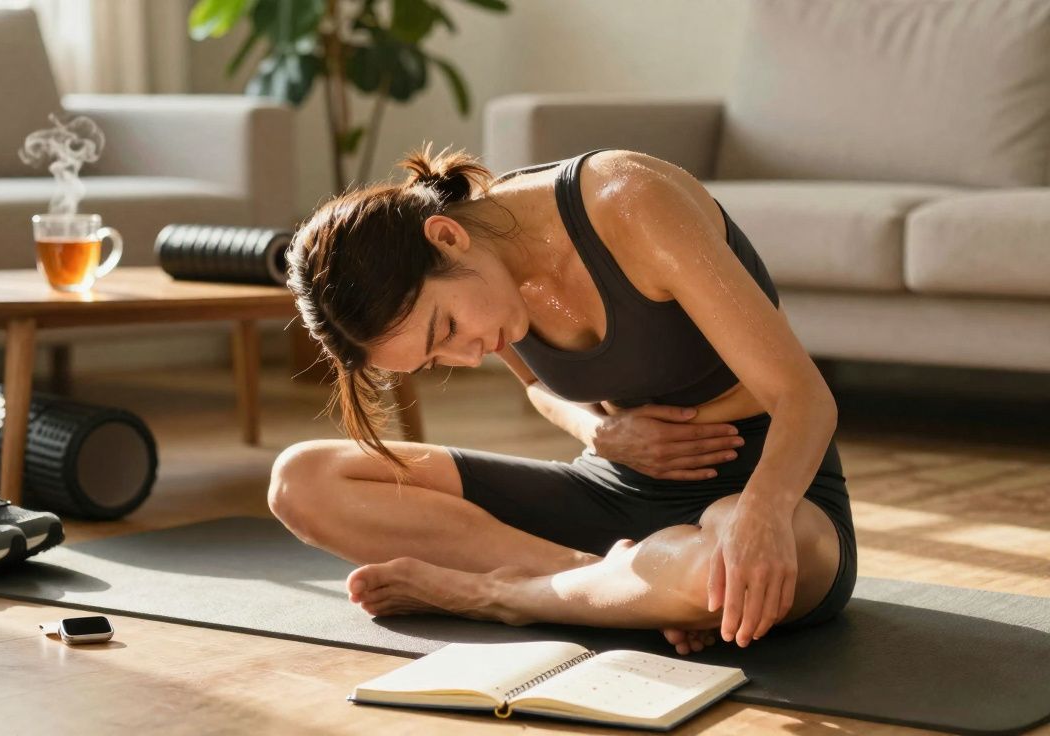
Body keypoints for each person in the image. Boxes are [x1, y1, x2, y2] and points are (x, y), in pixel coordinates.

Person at [270, 143, 855, 656]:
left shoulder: (631, 202)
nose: (467, 358)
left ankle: (505, 596)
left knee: (721, 574)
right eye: (435, 360)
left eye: (445, 329)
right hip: (610, 491)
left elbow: (805, 398)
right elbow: (537, 386)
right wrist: (598, 432)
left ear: (447, 236)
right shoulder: (482, 271)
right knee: (301, 481)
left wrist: (763, 513)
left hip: (764, 485)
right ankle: (599, 582)